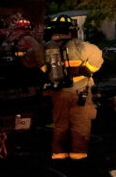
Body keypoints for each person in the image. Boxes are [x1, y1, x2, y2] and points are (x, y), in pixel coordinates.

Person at [42, 16, 103, 160]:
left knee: (60, 124)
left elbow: (28, 59)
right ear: (70, 30)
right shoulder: (80, 46)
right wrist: (87, 69)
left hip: (58, 92)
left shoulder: (45, 47)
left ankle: (59, 154)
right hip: (79, 91)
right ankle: (78, 156)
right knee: (80, 123)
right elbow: (98, 56)